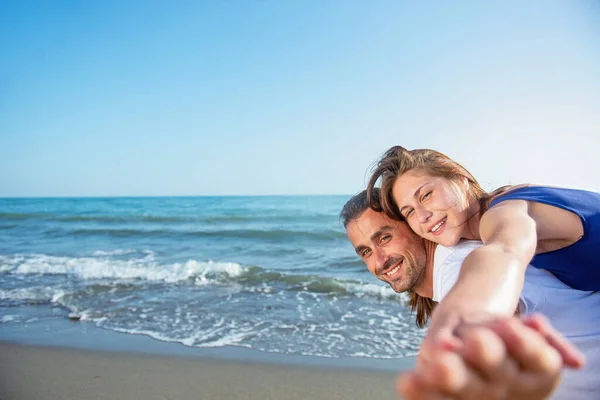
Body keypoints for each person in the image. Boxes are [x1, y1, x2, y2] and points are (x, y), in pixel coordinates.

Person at [341, 189, 598, 399]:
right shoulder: (448, 270)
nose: (380, 260)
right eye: (365, 252)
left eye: (384, 238)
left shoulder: (458, 264)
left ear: (414, 226)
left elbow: (490, 305)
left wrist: (474, 345)